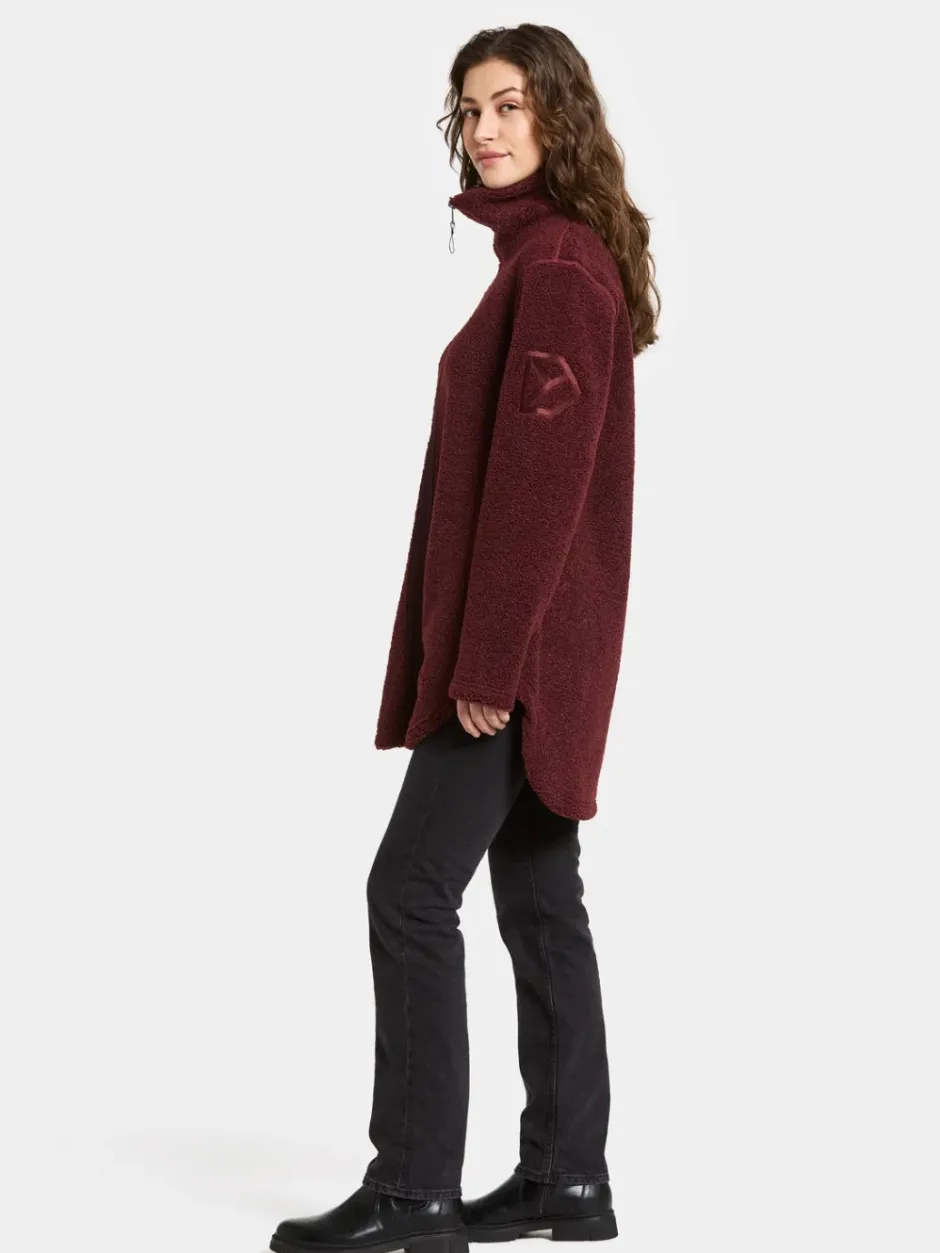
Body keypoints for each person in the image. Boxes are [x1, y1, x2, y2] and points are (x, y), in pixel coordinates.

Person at [270, 23, 659, 1253]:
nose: (484, 131)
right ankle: (566, 1179)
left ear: (558, 116)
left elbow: (539, 491)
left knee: (408, 888)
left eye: (508, 106)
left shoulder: (558, 269)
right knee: (540, 898)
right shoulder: (554, 257)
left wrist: (486, 662)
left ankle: (412, 1189)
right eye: (470, 110)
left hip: (519, 659)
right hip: (550, 649)